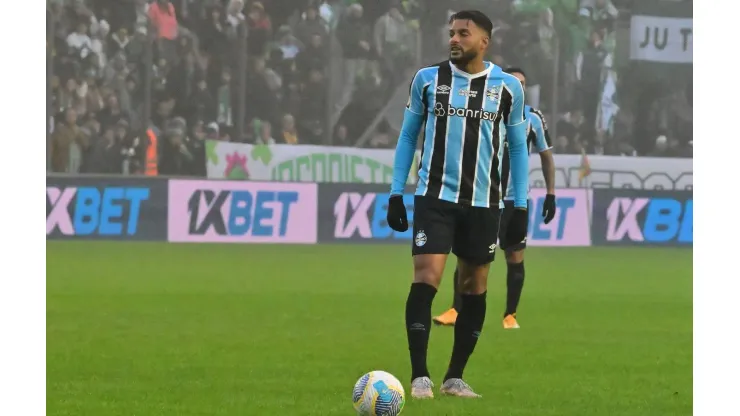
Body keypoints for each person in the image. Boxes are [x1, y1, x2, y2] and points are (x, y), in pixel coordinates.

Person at [386, 10, 530, 399]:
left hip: (485, 203)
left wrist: (521, 205)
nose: (454, 39)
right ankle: (419, 376)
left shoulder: (507, 88)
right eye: (451, 33)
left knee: (474, 285)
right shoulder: (428, 80)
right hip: (435, 197)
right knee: (427, 276)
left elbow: (518, 147)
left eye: (463, 33)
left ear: (484, 41)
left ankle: (454, 377)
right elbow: (408, 137)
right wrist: (396, 191)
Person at [433, 68, 557, 329]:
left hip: (515, 200)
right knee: (468, 255)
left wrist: (551, 193)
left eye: (523, 83)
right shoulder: (486, 113)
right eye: (514, 83)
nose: (518, 87)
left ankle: (510, 315)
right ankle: (456, 309)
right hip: (483, 196)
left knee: (515, 257)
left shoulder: (532, 118)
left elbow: (546, 156)